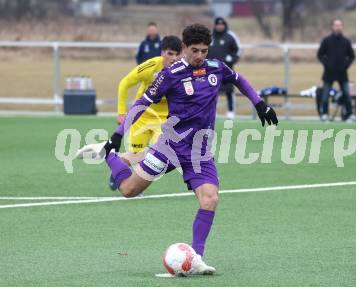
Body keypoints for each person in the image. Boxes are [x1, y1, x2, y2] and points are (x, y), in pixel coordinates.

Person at [86, 23, 278, 274]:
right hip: (170, 147)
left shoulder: (216, 68)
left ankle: (196, 258)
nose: (200, 56)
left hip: (200, 152)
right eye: (195, 50)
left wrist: (260, 103)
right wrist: (116, 136)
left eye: (204, 51)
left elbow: (239, 79)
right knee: (128, 190)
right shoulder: (170, 75)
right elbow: (140, 104)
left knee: (210, 199)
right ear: (185, 48)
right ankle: (109, 155)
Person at [108, 36, 182, 191]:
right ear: (162, 53)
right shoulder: (150, 66)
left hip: (163, 120)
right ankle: (117, 169)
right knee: (135, 155)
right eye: (170, 53)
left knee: (158, 154)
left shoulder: (182, 71)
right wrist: (122, 112)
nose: (174, 58)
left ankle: (135, 185)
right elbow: (125, 83)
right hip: (141, 116)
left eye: (177, 54)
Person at [317, 18, 356, 122]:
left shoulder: (346, 41)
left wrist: (345, 66)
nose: (338, 27)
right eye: (336, 25)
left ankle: (350, 115)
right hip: (329, 73)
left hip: (342, 73)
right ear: (332, 27)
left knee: (347, 94)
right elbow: (320, 54)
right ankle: (324, 114)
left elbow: (352, 56)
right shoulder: (326, 40)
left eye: (339, 25)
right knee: (325, 95)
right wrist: (327, 64)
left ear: (342, 27)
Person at [207, 17, 241, 119]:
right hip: (211, 70)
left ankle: (231, 111)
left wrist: (232, 58)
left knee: (229, 90)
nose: (220, 26)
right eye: (218, 24)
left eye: (222, 25)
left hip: (226, 70)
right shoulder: (210, 37)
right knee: (211, 91)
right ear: (215, 26)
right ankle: (210, 111)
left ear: (224, 25)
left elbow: (237, 50)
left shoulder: (230, 37)